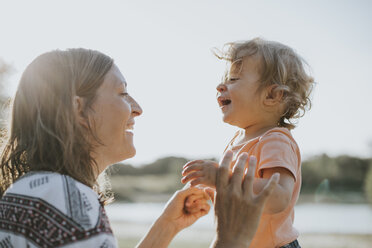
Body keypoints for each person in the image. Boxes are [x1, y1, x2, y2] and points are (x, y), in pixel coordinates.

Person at [0, 48, 279, 248]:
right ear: (79, 110)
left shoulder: (38, 190)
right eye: (122, 93)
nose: (137, 108)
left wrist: (166, 227)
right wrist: (232, 239)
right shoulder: (64, 200)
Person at [182, 38, 314, 248]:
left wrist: (219, 177)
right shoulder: (238, 142)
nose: (220, 85)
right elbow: (236, 194)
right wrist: (206, 194)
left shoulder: (275, 140)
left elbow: (279, 196)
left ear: (272, 95)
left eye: (234, 79)